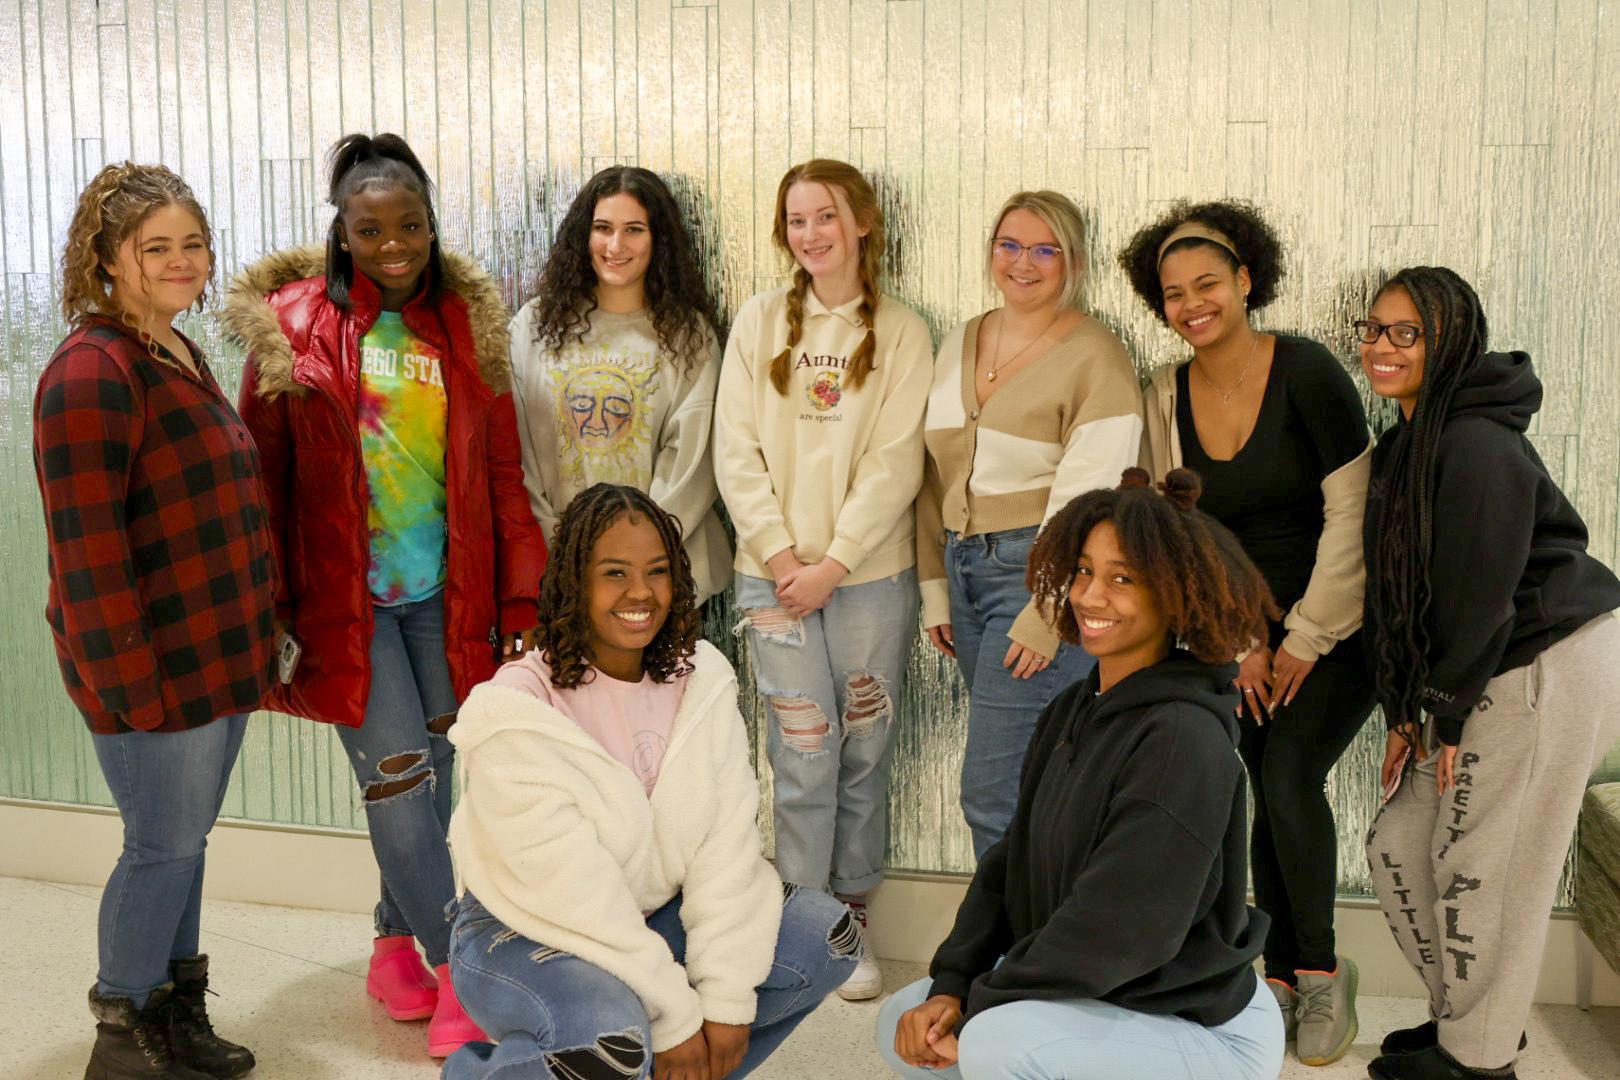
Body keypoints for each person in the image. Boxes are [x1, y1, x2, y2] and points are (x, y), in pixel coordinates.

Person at [224, 133, 546, 1059]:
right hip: (346, 603)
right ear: (344, 231)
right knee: (398, 786)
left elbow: (500, 473)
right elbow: (263, 485)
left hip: (445, 598)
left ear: (429, 223)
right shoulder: (291, 328)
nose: (394, 243)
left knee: (436, 783)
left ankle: (391, 943)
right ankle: (463, 971)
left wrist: (520, 605)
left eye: (410, 224)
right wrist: (273, 612)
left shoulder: (462, 326)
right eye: (372, 229)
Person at [876, 468, 1285, 1080]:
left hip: (1203, 1028)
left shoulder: (1182, 739)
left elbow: (1120, 928)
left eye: (1123, 578)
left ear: (1173, 594)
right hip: (1110, 1001)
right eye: (1086, 571)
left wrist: (982, 1004)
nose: (1092, 596)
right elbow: (1009, 863)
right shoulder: (1075, 708)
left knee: (996, 1042)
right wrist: (952, 985)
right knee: (902, 1024)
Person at [443, 483, 858, 1079]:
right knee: (617, 1039)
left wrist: (724, 1000)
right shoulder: (516, 708)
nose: (640, 593)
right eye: (614, 573)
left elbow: (725, 849)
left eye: (657, 572)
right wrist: (675, 1017)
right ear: (574, 582)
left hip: (650, 914)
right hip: (522, 927)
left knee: (826, 936)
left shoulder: (700, 680)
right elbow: (573, 895)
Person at [34, 162, 273, 1079]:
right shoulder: (90, 372)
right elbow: (88, 555)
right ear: (107, 260)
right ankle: (121, 1032)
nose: (183, 262)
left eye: (194, 244)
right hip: (154, 672)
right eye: (156, 248)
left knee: (182, 848)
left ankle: (176, 1013)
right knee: (160, 848)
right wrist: (133, 689)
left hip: (214, 658)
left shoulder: (173, 348)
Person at [1123, 199, 1374, 1065]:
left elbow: (1355, 516)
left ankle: (1321, 975)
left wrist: (1302, 636)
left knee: (1292, 769)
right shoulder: (1164, 394)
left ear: (1245, 281)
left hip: (1337, 624)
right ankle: (1270, 976)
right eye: (1173, 292)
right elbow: (1179, 532)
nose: (1193, 303)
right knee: (1254, 775)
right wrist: (1239, 641)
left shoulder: (1308, 372)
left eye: (1208, 284)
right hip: (1233, 626)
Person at [1358, 267, 1620, 1080]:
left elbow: (1479, 598)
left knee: (1489, 871)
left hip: (1541, 661)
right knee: (1400, 848)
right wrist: (1407, 713)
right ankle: (1467, 1028)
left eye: (1407, 332)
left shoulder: (1476, 443)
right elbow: (1405, 598)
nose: (1381, 346)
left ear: (1451, 341)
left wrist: (1444, 717)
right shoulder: (1408, 443)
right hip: (1476, 672)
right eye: (1373, 329)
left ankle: (1478, 1064)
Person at [714, 158, 932, 1000]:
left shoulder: (905, 331)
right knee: (802, 749)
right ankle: (804, 923)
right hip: (772, 580)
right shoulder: (758, 321)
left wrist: (835, 561)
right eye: (797, 220)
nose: (811, 234)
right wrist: (780, 560)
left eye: (826, 217)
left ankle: (853, 920)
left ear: (863, 222)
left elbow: (895, 461)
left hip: (869, 577)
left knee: (864, 748)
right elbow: (736, 452)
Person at [917, 190, 1141, 860]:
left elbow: (1093, 497)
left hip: (1036, 576)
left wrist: (1049, 609)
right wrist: (936, 588)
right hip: (964, 570)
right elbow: (930, 477)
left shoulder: (1095, 354)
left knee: (997, 793)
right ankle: (1028, 946)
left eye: (1046, 249)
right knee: (1025, 783)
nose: (1024, 262)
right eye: (1010, 244)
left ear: (1072, 262)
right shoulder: (962, 339)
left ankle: (1015, 956)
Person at [509, 165, 731, 602]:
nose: (615, 245)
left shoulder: (688, 335)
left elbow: (693, 459)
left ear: (657, 240)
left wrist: (632, 558)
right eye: (602, 228)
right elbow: (520, 451)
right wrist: (568, 552)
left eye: (634, 230)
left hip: (661, 576)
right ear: (583, 236)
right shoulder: (534, 326)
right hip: (559, 569)